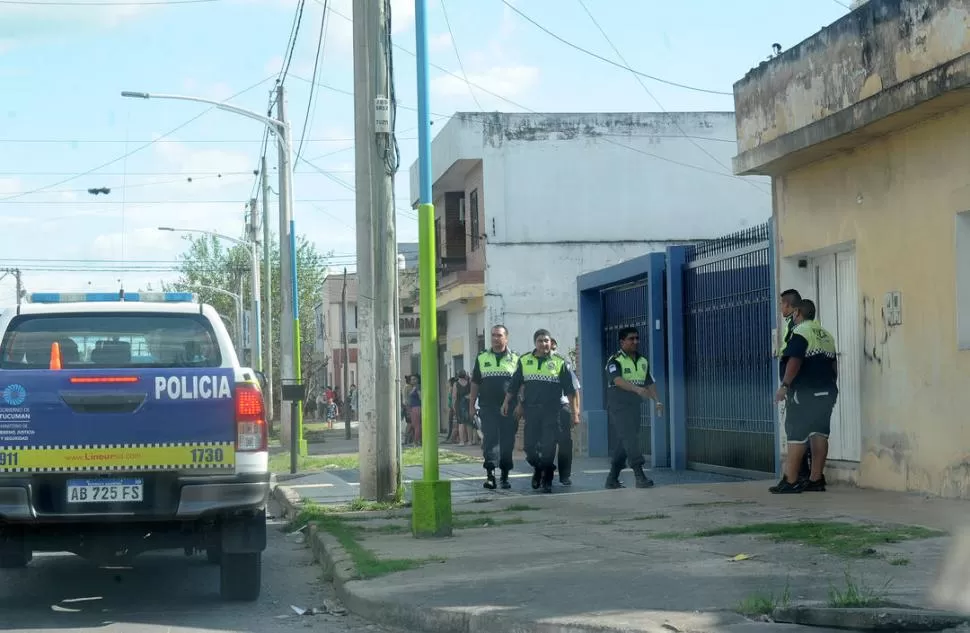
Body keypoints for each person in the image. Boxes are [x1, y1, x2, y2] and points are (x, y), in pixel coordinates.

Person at [772, 299, 838, 494]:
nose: (791, 315)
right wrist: (831, 386)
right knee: (820, 434)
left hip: (805, 392)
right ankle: (816, 479)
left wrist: (784, 386)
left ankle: (790, 480)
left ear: (798, 312)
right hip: (826, 391)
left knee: (796, 434)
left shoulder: (801, 332)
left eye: (793, 312)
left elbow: (795, 360)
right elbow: (834, 366)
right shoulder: (826, 335)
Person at [502, 329, 578, 494]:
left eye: (547, 341)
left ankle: (547, 481)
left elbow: (571, 391)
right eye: (541, 341)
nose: (544, 344)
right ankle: (539, 469)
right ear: (535, 342)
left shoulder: (560, 362)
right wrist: (506, 402)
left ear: (551, 343)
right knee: (529, 448)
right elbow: (514, 385)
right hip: (532, 411)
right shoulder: (524, 360)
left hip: (553, 412)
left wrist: (574, 412)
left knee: (548, 447)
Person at [604, 327, 663, 489]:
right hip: (618, 406)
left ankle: (612, 479)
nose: (635, 342)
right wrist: (636, 389)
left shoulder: (643, 361)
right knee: (630, 438)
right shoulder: (615, 360)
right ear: (622, 341)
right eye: (631, 339)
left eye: (637, 338)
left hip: (634, 406)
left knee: (625, 442)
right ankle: (639, 475)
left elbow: (649, 382)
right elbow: (617, 380)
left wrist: (657, 400)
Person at [470, 325, 518, 490]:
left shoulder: (515, 359)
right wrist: (471, 406)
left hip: (509, 408)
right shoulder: (482, 357)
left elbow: (521, 385)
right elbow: (475, 383)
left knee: (507, 442)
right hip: (487, 406)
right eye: (493, 336)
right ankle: (490, 475)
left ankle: (504, 476)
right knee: (490, 440)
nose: (496, 339)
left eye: (499, 335)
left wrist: (521, 405)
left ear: (506, 338)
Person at [779, 288, 812, 480]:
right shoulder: (793, 324)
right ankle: (802, 473)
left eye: (783, 304)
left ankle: (798, 474)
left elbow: (795, 357)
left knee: (795, 430)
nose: (781, 308)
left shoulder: (796, 326)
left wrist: (785, 385)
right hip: (800, 385)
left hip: (797, 386)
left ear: (791, 306)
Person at [550, 338, 580, 486]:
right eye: (550, 348)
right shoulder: (535, 364)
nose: (552, 351)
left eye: (554, 348)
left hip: (563, 408)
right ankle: (545, 471)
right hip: (544, 409)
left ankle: (565, 475)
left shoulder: (563, 364)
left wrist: (576, 412)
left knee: (565, 443)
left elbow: (574, 389)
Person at [452, 370, 473, 445]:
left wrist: (453, 405)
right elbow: (472, 394)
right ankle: (470, 441)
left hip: (459, 404)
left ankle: (461, 441)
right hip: (468, 403)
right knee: (469, 423)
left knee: (461, 423)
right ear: (465, 375)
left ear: (458, 375)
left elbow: (454, 396)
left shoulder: (456, 384)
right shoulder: (469, 383)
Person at [408, 374, 422, 446]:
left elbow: (421, 397)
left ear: (418, 380)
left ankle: (415, 442)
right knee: (415, 425)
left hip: (417, 407)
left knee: (417, 425)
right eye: (411, 379)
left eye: (414, 379)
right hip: (413, 407)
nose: (412, 381)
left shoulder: (418, 387)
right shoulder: (413, 387)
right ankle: (418, 440)